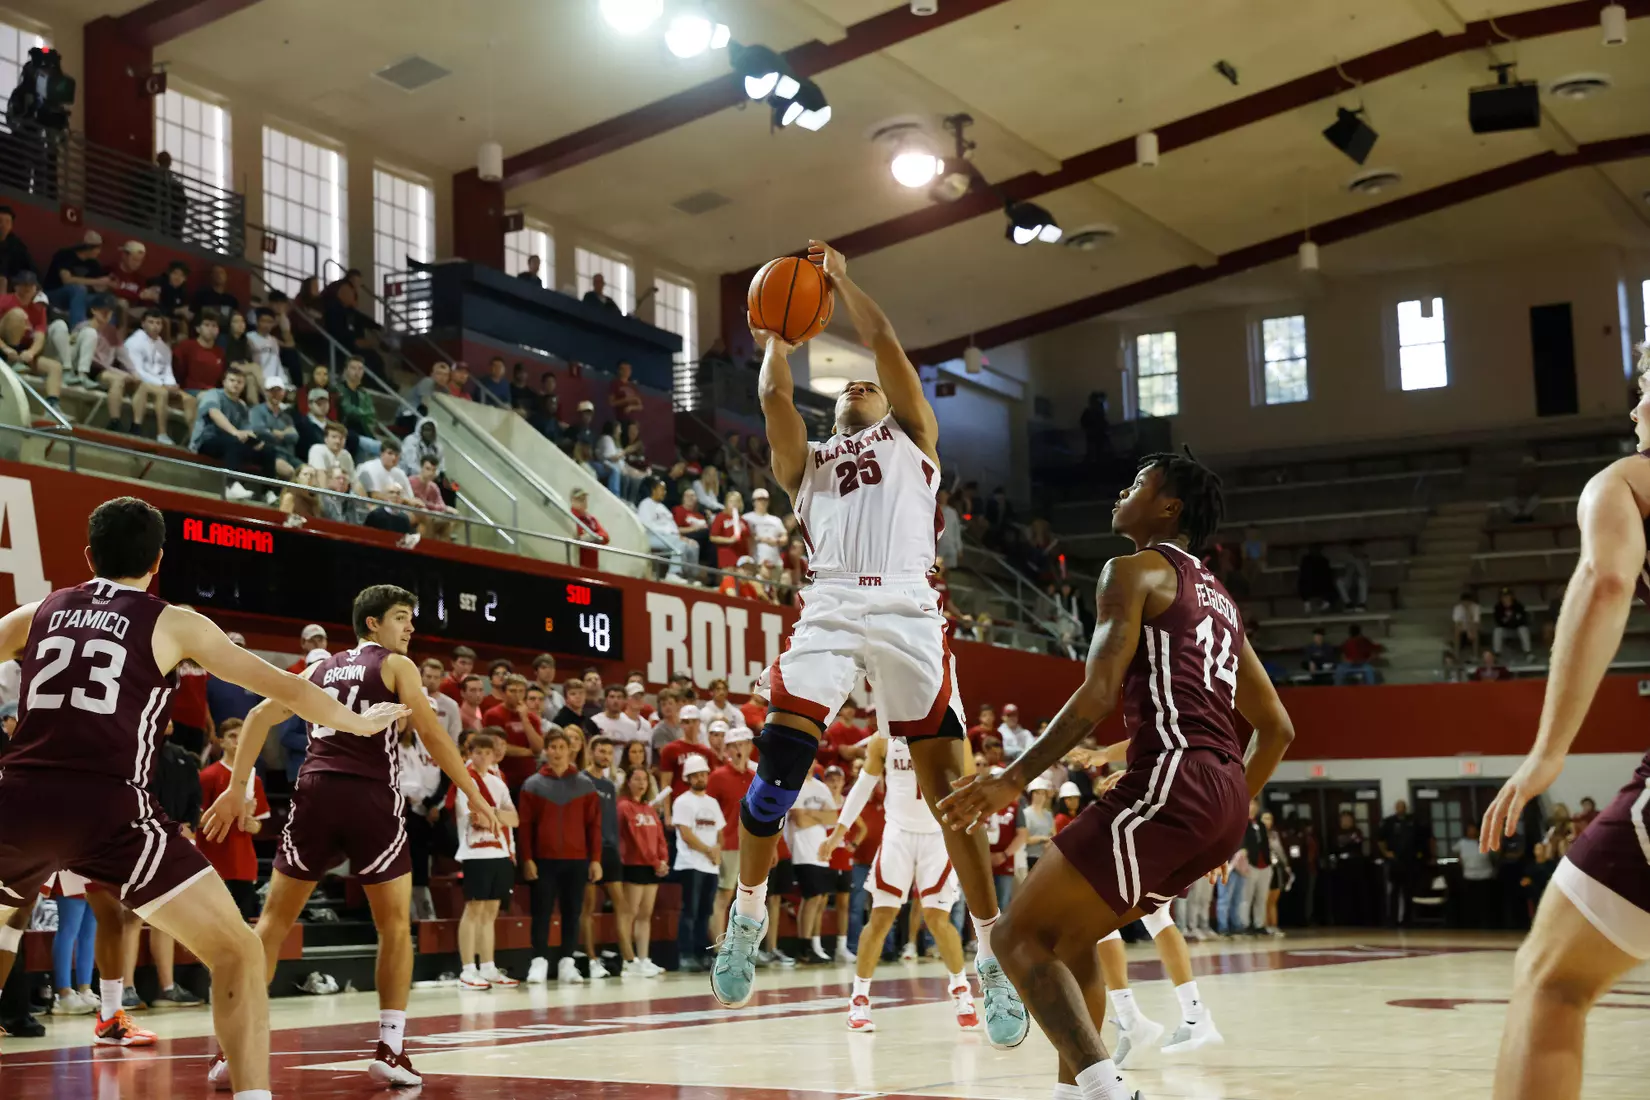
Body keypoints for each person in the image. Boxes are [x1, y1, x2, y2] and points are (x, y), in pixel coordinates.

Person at [711, 241, 1028, 1049]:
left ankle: (990, 956)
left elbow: (886, 348)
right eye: (846, 385)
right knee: (777, 773)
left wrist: (842, 283)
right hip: (827, 610)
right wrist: (777, 335)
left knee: (952, 794)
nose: (858, 383)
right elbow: (775, 396)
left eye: (868, 385)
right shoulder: (807, 465)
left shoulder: (914, 439)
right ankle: (748, 914)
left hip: (911, 613)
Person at [0, 498, 412, 1091]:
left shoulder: (36, 613)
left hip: (20, 801)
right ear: (158, 560)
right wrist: (359, 723)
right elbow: (284, 688)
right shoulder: (173, 621)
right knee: (239, 952)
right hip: (109, 808)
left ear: (88, 556)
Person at [936, 449, 1295, 1100]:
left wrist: (1013, 777)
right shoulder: (1221, 602)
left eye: (1138, 483)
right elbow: (1278, 728)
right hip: (1219, 796)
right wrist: (1230, 812)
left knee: (1017, 937)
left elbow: (1099, 693)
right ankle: (1074, 1092)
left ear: (1168, 506)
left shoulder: (1132, 572)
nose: (1122, 490)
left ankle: (1107, 1091)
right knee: (1073, 942)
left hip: (1172, 776)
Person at [217, 584, 496, 1089]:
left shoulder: (318, 669)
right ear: (373, 623)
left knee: (273, 922)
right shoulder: (396, 665)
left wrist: (238, 787)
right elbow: (431, 731)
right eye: (402, 617)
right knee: (393, 927)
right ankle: (390, 1048)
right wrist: (473, 791)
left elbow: (258, 716)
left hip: (314, 791)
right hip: (369, 795)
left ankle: (229, 1053)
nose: (411, 627)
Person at [1477, 355, 1650, 1099]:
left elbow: (1605, 579)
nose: (1635, 409)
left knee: (1552, 980)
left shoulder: (1628, 482)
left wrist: (1547, 752)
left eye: (1647, 389)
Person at [821, 728, 980, 1033]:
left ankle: (961, 990)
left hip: (938, 833)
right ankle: (858, 1000)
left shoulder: (955, 736)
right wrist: (840, 831)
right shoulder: (883, 738)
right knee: (881, 917)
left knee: (937, 918)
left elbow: (969, 784)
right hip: (897, 834)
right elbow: (862, 787)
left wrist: (968, 833)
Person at [518, 729, 603, 984]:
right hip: (543, 859)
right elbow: (525, 826)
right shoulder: (532, 784)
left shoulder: (585, 785)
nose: (556, 752)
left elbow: (594, 826)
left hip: (577, 860)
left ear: (570, 750)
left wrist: (596, 859)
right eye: (552, 747)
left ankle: (568, 962)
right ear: (546, 751)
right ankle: (539, 961)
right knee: (541, 912)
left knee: (572, 912)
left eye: (561, 747)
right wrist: (527, 858)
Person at [454, 732, 520, 990]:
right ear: (470, 754)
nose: (482, 757)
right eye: (477, 752)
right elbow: (475, 818)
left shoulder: (498, 783)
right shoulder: (465, 781)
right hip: (475, 852)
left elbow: (514, 820)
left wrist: (492, 813)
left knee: (491, 911)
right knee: (474, 909)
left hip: (500, 852)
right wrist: (498, 815)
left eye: (487, 752)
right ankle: (467, 968)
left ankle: (488, 966)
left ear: (494, 755)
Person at [197, 721, 270, 921]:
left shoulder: (254, 779)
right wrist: (236, 814)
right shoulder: (208, 776)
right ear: (221, 742)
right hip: (214, 861)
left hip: (243, 862)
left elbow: (258, 824)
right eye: (232, 736)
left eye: (243, 736)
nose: (238, 741)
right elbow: (197, 820)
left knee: (243, 922)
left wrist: (253, 824)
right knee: (214, 921)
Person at [673, 754, 725, 971]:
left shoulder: (712, 802)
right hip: (690, 864)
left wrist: (717, 851)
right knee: (690, 912)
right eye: (696, 775)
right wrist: (708, 851)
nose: (701, 778)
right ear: (688, 778)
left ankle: (701, 953)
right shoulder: (682, 801)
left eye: (703, 774)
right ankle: (685, 955)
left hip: (709, 866)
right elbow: (685, 833)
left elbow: (720, 832)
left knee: (705, 912)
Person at [616, 762, 668, 976]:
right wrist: (656, 862)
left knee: (646, 914)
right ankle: (629, 960)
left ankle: (644, 958)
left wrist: (663, 859)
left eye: (644, 780)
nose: (641, 783)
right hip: (634, 865)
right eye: (636, 779)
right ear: (628, 782)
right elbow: (636, 840)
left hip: (652, 866)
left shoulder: (649, 809)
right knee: (630, 912)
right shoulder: (624, 806)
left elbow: (660, 838)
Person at [124, 312, 196, 444]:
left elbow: (167, 370)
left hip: (161, 383)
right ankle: (162, 433)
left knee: (190, 399)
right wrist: (163, 385)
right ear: (143, 323)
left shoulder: (164, 347)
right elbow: (138, 370)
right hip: (141, 382)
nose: (155, 326)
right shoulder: (133, 342)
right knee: (161, 392)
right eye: (151, 322)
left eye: (158, 323)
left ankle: (194, 440)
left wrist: (172, 384)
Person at [639, 478, 700, 582]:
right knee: (679, 544)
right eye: (661, 489)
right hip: (651, 537)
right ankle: (673, 574)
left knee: (693, 545)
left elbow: (673, 527)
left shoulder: (663, 508)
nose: (664, 492)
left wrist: (680, 536)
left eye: (665, 490)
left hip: (668, 538)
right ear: (654, 490)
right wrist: (672, 536)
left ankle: (690, 577)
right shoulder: (646, 504)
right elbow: (647, 525)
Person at [743, 487, 787, 567]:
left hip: (774, 561)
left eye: (765, 499)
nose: (762, 502)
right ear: (754, 502)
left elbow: (785, 537)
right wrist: (758, 539)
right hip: (754, 561)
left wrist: (776, 541)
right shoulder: (746, 518)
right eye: (759, 499)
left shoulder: (775, 520)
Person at [1493, 587, 1534, 661]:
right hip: (1506, 630)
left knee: (1523, 629)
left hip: (1517, 630)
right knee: (1497, 631)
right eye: (1504, 597)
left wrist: (1510, 619)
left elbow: (1523, 620)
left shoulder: (1518, 606)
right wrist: (1511, 619)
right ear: (1501, 598)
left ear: (1511, 596)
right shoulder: (1498, 607)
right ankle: (1497, 654)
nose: (1506, 598)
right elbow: (1499, 622)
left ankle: (1528, 653)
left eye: (1508, 596)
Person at [1297, 543, 1335, 613]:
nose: (1314, 551)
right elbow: (1303, 574)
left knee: (1333, 590)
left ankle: (1324, 606)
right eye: (1313, 549)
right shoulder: (1306, 560)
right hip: (1309, 584)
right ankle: (1307, 605)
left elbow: (1327, 575)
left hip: (1321, 584)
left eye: (1316, 550)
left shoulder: (1324, 561)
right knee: (1303, 584)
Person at [1452, 591, 1482, 656]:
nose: (1466, 604)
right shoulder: (1457, 608)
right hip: (1462, 626)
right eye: (1464, 602)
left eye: (1468, 602)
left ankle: (1475, 655)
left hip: (1472, 625)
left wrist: (1468, 612)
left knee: (1475, 631)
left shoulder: (1476, 607)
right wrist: (1467, 630)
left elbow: (1476, 622)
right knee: (1456, 631)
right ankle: (1456, 653)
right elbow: (1458, 623)